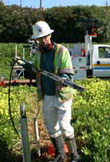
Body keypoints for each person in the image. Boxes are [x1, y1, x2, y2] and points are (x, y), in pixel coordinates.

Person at [31, 21, 80, 162]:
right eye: (40, 38)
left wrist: (63, 78)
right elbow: (35, 68)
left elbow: (67, 71)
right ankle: (60, 154)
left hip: (62, 94)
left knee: (64, 126)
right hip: (47, 95)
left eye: (45, 37)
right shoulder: (38, 53)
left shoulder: (61, 51)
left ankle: (74, 155)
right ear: (37, 40)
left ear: (50, 35)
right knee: (51, 126)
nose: (43, 40)